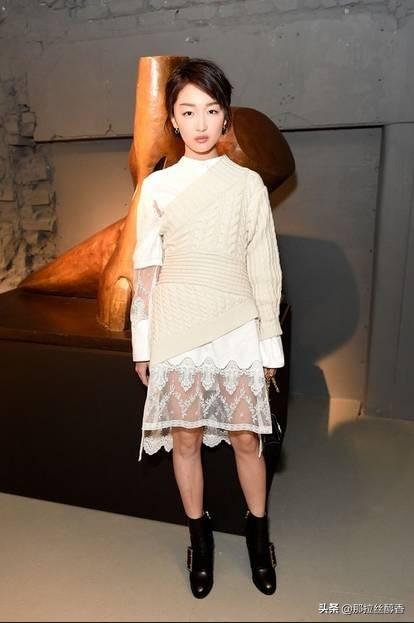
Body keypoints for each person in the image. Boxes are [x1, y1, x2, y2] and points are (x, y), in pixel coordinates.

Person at [130, 58, 285, 599]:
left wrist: (269, 344)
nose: (201, 123)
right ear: (173, 119)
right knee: (186, 437)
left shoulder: (248, 185)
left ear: (226, 117)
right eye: (188, 111)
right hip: (175, 323)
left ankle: (258, 535)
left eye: (212, 110)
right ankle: (199, 539)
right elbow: (146, 269)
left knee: (246, 436)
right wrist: (143, 344)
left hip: (236, 321)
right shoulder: (156, 187)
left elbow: (264, 267)